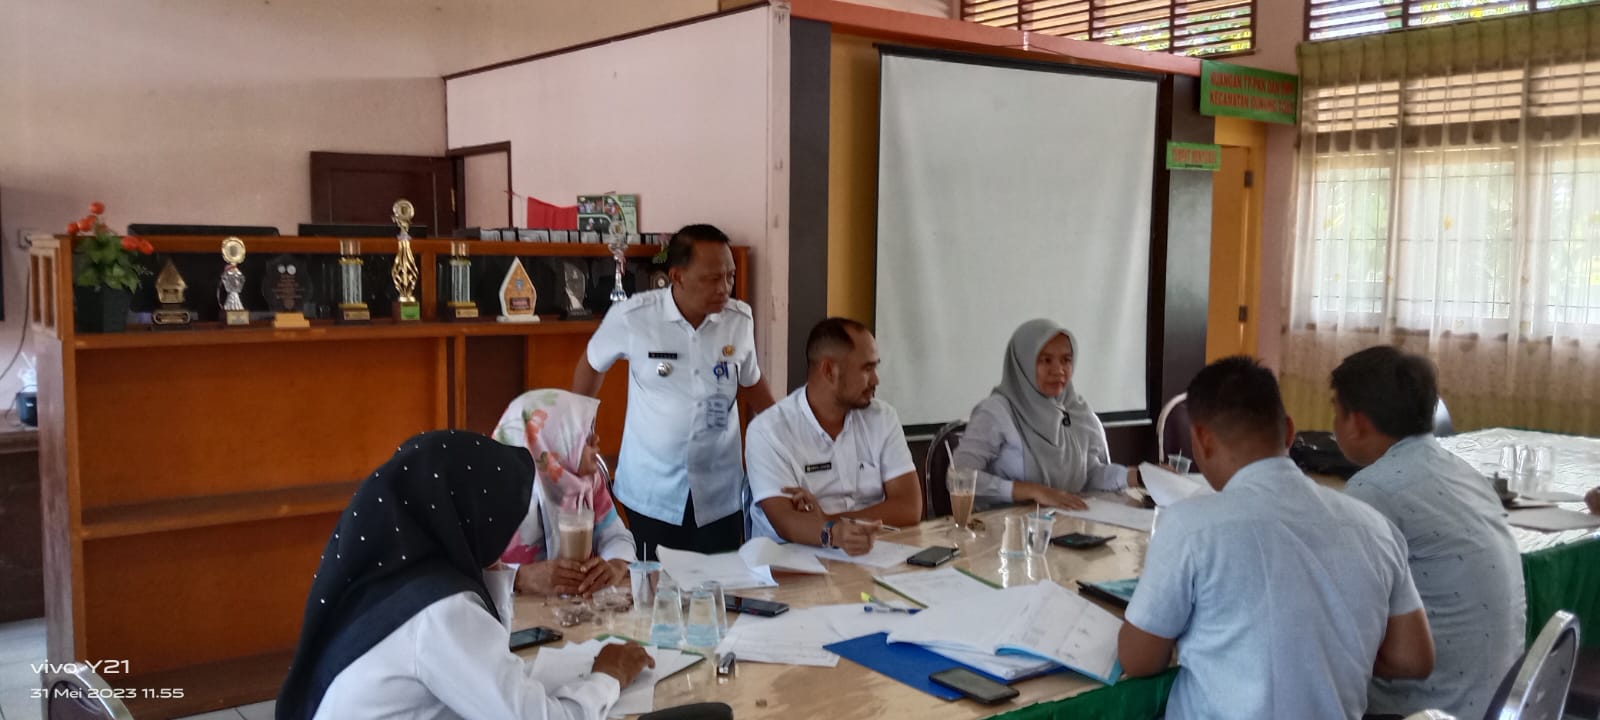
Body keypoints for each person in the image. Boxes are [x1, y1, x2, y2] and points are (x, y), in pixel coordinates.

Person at [1118, 357, 1435, 720]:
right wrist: (1327, 648)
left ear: (1202, 440)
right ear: (1288, 431)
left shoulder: (1190, 526)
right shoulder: (1375, 527)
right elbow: (1414, 658)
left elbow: (1138, 660)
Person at [276, 430, 653, 720]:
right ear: (472, 516)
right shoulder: (442, 612)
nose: (504, 532)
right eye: (500, 518)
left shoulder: (391, 576)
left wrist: (495, 571)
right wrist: (608, 676)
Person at [1330, 346, 1525, 719]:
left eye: (1335, 412)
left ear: (1356, 423)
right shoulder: (1465, 473)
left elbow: (1338, 616)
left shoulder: (1373, 490)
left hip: (1427, 711)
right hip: (1497, 702)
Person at [573, 224, 777, 558]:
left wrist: (786, 438)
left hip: (719, 491)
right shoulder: (634, 316)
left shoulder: (738, 320)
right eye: (712, 278)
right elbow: (592, 364)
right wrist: (579, 434)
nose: (724, 288)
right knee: (655, 583)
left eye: (730, 277)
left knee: (720, 582)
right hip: (652, 490)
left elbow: (751, 382)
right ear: (677, 276)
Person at [744, 318, 922, 555]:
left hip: (873, 555)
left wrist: (829, 521)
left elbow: (909, 507)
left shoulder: (882, 417)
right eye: (867, 369)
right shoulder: (768, 431)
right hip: (793, 561)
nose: (876, 380)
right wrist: (834, 533)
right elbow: (785, 521)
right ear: (829, 370)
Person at [953, 319, 1132, 510]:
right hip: (1006, 524)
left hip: (1067, 521)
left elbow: (1089, 475)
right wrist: (1030, 491)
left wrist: (1132, 476)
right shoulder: (997, 412)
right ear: (1023, 363)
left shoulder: (1076, 411)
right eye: (1046, 360)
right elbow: (958, 477)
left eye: (1066, 360)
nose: (1058, 370)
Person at [493, 389, 635, 596]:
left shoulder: (589, 482)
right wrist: (520, 577)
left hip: (579, 604)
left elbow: (616, 536)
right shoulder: (495, 492)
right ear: (555, 440)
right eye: (584, 435)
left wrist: (615, 564)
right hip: (513, 607)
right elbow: (467, 567)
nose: (596, 440)